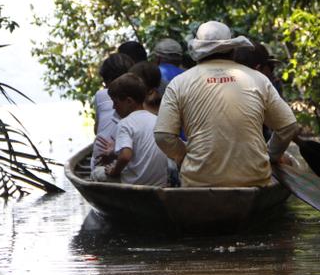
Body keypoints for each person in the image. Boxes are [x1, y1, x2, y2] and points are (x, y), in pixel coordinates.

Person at [154, 21, 302, 187]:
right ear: (233, 50)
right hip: (255, 179)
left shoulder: (179, 83)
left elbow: (163, 136)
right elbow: (288, 126)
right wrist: (271, 156)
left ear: (197, 52)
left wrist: (184, 155)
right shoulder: (257, 78)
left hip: (198, 182)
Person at [92, 74, 168, 186]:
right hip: (159, 183)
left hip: (134, 183)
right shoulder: (156, 119)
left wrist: (114, 171)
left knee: (96, 173)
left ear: (129, 101)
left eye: (115, 102)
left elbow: (125, 156)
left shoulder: (125, 123)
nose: (113, 107)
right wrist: (114, 154)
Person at [91, 52, 135, 168]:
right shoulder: (138, 95)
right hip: (120, 163)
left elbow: (96, 130)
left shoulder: (101, 95)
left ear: (109, 80)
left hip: (102, 165)